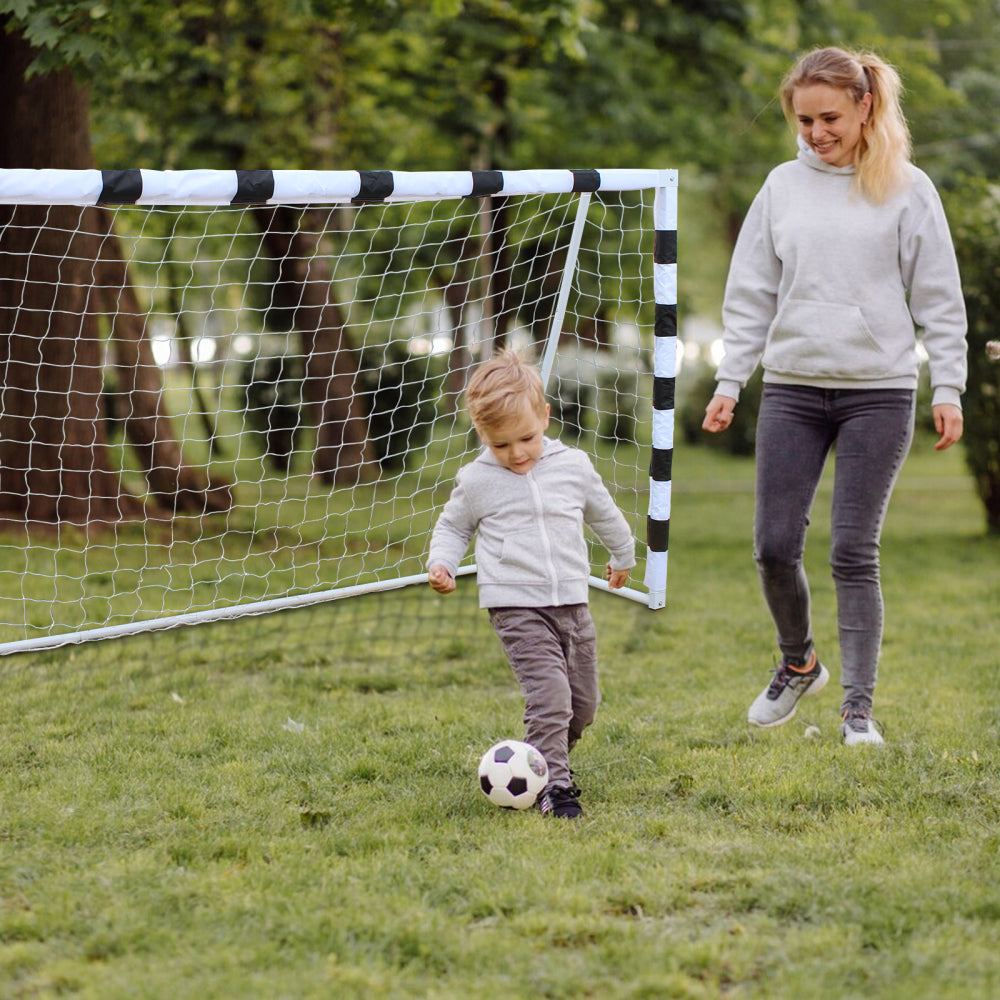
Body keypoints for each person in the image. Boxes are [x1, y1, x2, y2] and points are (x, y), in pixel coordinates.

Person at [702, 46, 967, 746]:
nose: (817, 133)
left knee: (854, 548)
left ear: (864, 107)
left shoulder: (907, 189)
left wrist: (950, 386)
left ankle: (858, 711)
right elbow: (750, 294)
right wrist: (732, 381)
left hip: (877, 392)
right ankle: (799, 662)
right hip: (791, 389)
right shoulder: (781, 187)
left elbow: (940, 298)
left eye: (830, 118)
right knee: (772, 545)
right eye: (805, 119)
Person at [428, 350, 636, 817]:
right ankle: (554, 789)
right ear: (483, 436)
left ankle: (543, 762)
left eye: (526, 438)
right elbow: (453, 527)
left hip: (573, 604)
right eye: (501, 445)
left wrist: (623, 555)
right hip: (517, 607)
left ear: (544, 416)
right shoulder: (477, 479)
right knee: (551, 696)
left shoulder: (573, 466)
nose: (517, 453)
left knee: (583, 706)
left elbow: (603, 512)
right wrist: (442, 562)